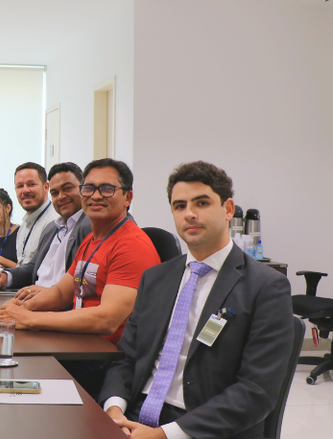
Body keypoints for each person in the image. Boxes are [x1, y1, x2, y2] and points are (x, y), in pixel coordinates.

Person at [99, 161, 294, 439]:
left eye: (201, 203)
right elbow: (127, 358)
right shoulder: (155, 279)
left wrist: (165, 434)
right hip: (134, 416)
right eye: (179, 206)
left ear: (228, 209)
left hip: (202, 426)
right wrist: (114, 409)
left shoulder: (266, 287)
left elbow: (256, 390)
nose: (189, 214)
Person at [0, 159, 159, 346]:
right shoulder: (91, 240)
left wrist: (29, 318)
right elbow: (60, 293)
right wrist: (21, 307)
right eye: (88, 188)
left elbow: (107, 320)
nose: (95, 196)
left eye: (107, 189)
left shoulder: (132, 245)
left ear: (127, 197)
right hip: (78, 341)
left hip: (106, 353)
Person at [0, 162, 92, 291]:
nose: (61, 197)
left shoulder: (89, 227)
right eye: (55, 193)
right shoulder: (53, 228)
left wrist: (47, 294)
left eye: (67, 188)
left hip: (50, 299)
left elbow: (83, 284)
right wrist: (6, 276)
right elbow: (34, 268)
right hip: (33, 294)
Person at [13, 162, 60, 265]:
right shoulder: (25, 223)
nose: (25, 190)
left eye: (31, 184)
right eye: (20, 186)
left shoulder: (54, 222)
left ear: (46, 187)